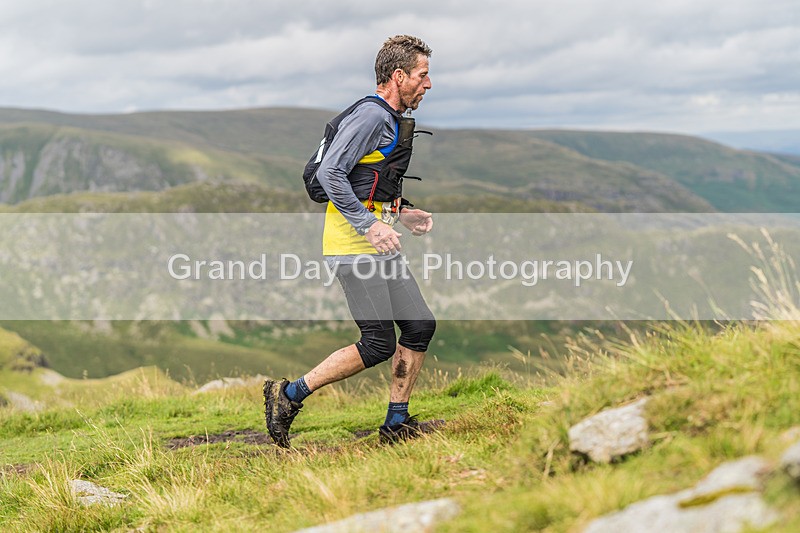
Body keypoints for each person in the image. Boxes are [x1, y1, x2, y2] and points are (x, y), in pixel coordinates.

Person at [263, 35, 436, 447]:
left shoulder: (388, 118)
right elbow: (330, 174)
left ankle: (396, 423)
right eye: (422, 75)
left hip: (377, 245)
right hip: (353, 246)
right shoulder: (371, 116)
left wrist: (400, 213)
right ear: (399, 76)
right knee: (377, 343)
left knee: (419, 326)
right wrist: (369, 226)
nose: (428, 84)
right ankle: (287, 395)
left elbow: (367, 181)